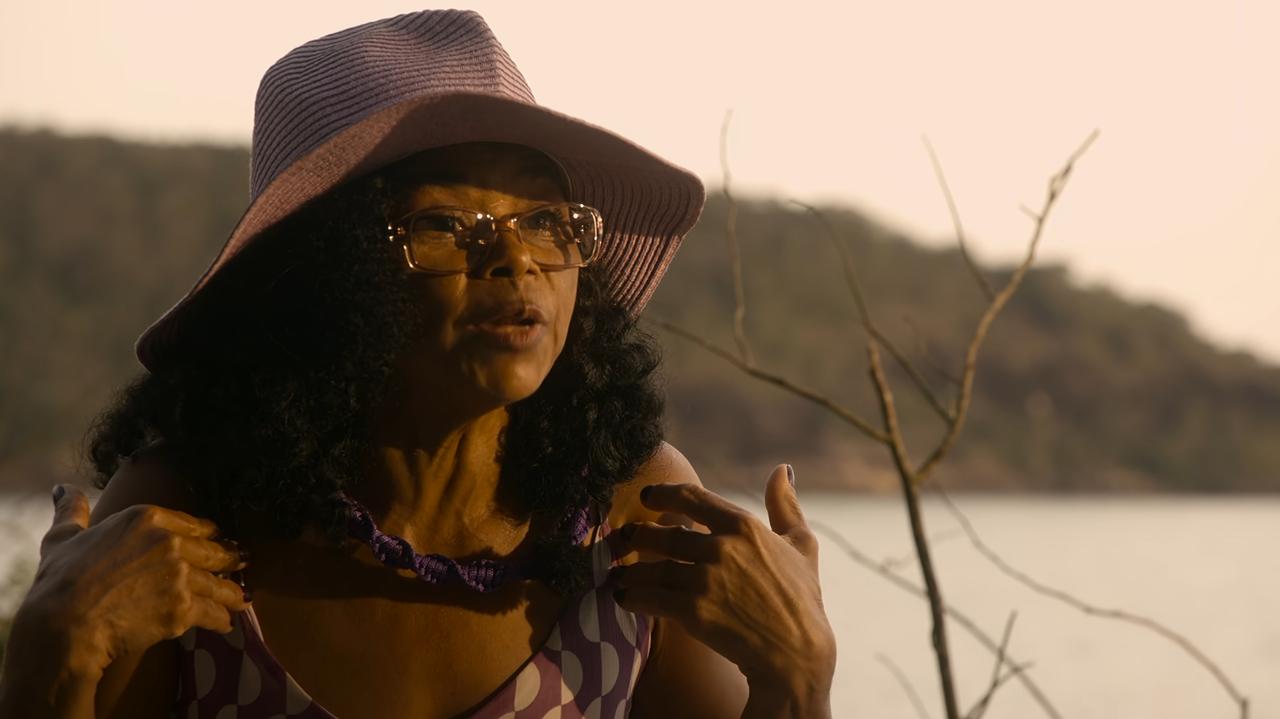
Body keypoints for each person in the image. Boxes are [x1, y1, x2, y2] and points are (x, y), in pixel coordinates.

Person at [0, 10, 835, 718]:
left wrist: (797, 677)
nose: (516, 259)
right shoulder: (183, 527)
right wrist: (49, 662)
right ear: (327, 271)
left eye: (546, 220)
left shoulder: (632, 520)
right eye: (445, 225)